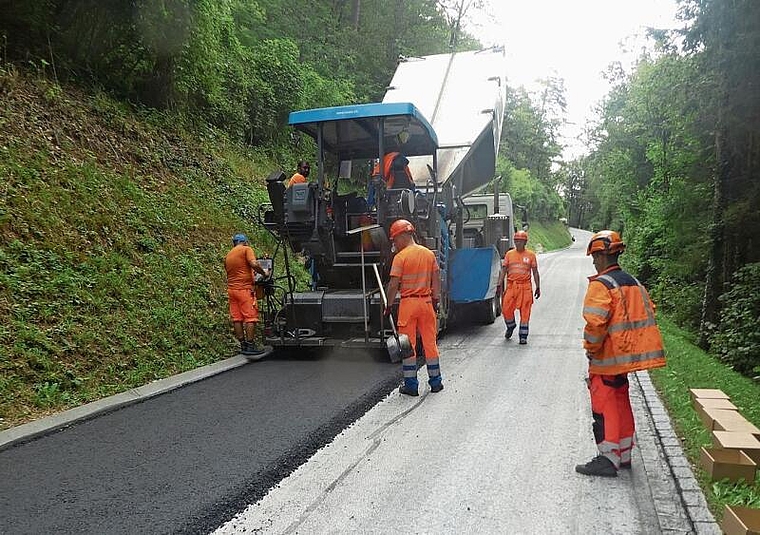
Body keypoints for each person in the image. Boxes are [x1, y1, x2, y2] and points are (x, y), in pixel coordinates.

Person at [575, 230, 666, 477]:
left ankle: (607, 458)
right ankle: (624, 454)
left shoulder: (601, 285)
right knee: (620, 400)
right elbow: (647, 312)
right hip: (626, 358)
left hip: (607, 358)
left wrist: (591, 350)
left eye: (595, 256)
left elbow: (595, 323)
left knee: (604, 404)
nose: (594, 261)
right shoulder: (633, 283)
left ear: (604, 256)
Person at [384, 219, 443, 396]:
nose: (394, 244)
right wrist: (435, 299)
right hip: (426, 303)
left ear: (403, 236)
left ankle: (411, 385)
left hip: (408, 304)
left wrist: (388, 305)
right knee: (430, 343)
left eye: (395, 239)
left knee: (407, 345)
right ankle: (436, 382)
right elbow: (436, 278)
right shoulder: (428, 254)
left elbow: (394, 284)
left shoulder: (400, 258)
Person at [224, 233, 271, 357]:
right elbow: (254, 264)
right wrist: (264, 273)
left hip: (232, 290)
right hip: (244, 290)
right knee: (251, 317)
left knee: (237, 318)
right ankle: (250, 345)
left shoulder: (229, 254)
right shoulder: (246, 249)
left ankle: (243, 344)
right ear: (244, 242)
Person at [498, 230, 540, 344]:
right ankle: (510, 326)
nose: (518, 243)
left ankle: (523, 335)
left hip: (525, 287)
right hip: (512, 286)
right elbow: (504, 270)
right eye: (516, 241)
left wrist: (538, 286)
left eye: (520, 241)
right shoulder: (509, 254)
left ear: (525, 242)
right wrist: (499, 284)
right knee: (506, 309)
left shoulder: (531, 255)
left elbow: (535, 272)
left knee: (525, 312)